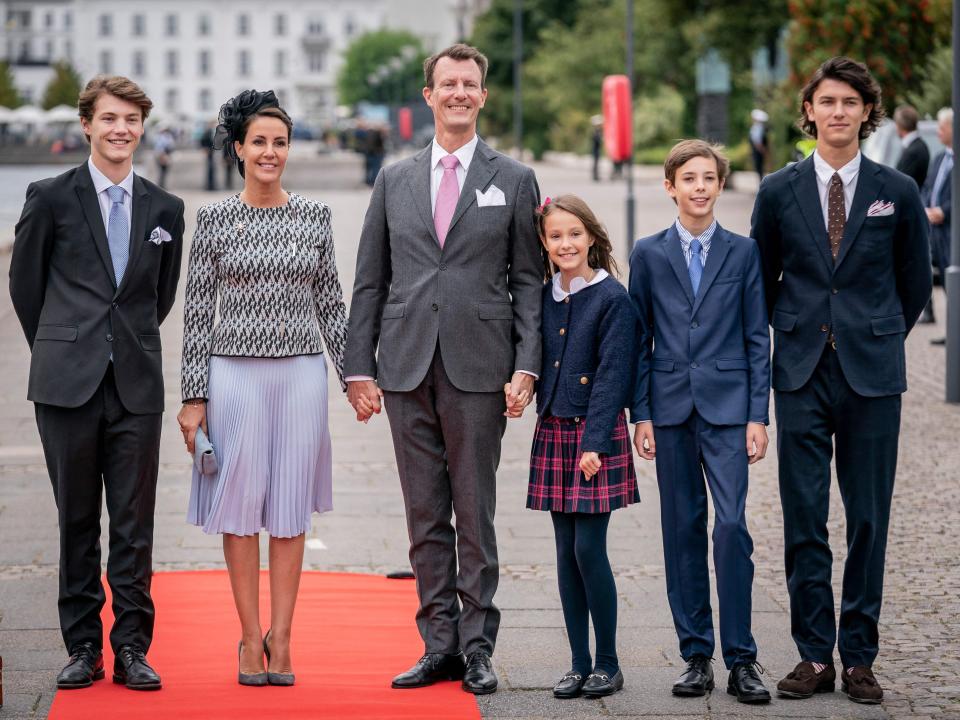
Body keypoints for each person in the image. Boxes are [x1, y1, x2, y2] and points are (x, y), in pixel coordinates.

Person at [343, 43, 542, 695]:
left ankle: (478, 647)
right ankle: (438, 645)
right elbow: (370, 280)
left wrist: (527, 366)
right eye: (447, 83)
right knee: (424, 514)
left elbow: (528, 281)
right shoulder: (394, 179)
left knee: (474, 510)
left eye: (470, 84)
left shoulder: (513, 179)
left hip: (480, 368)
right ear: (427, 96)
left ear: (483, 96)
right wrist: (357, 368)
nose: (458, 92)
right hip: (404, 366)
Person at [750, 57, 931, 704]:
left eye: (850, 103)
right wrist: (799, 330)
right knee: (803, 519)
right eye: (826, 102)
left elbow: (914, 282)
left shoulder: (896, 191)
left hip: (873, 376)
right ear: (809, 111)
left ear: (865, 112)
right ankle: (812, 656)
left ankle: (858, 657)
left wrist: (875, 332)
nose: (837, 113)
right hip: (799, 371)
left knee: (869, 520)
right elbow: (761, 280)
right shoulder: (778, 190)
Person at [9, 75, 185, 691]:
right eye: (110, 118)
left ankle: (133, 645)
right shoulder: (49, 196)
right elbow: (26, 289)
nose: (121, 130)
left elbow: (158, 297)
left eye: (132, 120)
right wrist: (65, 346)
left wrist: (122, 345)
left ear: (143, 127)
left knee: (135, 524)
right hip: (66, 385)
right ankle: (83, 645)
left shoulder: (166, 209)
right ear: (87, 124)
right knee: (76, 519)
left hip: (136, 385)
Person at [177, 90, 348, 687]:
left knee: (290, 509)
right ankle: (249, 637)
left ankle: (284, 636)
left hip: (301, 374)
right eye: (259, 142)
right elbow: (196, 313)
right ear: (238, 149)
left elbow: (331, 302)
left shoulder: (315, 217)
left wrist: (356, 377)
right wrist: (193, 396)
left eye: (279, 142)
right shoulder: (215, 219)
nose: (270, 152)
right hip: (234, 375)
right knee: (241, 509)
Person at [630, 139, 771, 704]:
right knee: (681, 529)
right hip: (668, 407)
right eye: (688, 178)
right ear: (670, 186)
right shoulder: (648, 252)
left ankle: (743, 657)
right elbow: (639, 337)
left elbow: (757, 336)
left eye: (708, 178)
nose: (699, 187)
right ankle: (695, 654)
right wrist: (639, 412)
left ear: (719, 185)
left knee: (731, 526)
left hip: (730, 407)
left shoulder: (743, 252)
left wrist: (758, 415)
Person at [526, 195, 638, 700]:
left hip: (596, 436)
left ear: (591, 236)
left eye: (574, 234)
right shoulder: (543, 294)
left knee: (588, 549)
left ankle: (609, 664)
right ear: (545, 244)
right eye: (555, 236)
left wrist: (595, 442)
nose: (565, 244)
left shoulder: (612, 297)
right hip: (553, 428)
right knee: (564, 554)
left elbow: (615, 375)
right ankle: (577, 662)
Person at [895, 104, 935, 324]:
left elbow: (903, 183)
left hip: (911, 213)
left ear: (900, 126)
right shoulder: (916, 146)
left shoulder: (915, 149)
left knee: (916, 260)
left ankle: (926, 310)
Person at [921, 107, 953, 344]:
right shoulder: (939, 158)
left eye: (942, 128)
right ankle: (953, 332)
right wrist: (924, 207)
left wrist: (944, 211)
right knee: (946, 286)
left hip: (952, 231)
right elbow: (928, 187)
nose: (938, 133)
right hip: (937, 234)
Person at [749, 109, 769, 180]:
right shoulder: (758, 127)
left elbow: (757, 141)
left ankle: (761, 182)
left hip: (758, 151)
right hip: (759, 150)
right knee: (760, 167)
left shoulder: (757, 127)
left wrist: (762, 150)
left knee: (759, 167)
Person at [152, 126, 175, 190]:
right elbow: (160, 148)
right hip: (163, 155)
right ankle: (161, 186)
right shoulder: (163, 137)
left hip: (164, 155)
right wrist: (163, 156)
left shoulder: (163, 137)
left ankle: (161, 185)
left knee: (163, 172)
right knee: (162, 171)